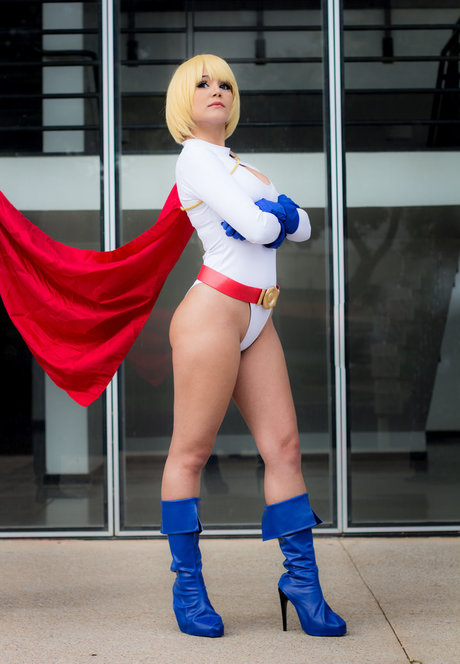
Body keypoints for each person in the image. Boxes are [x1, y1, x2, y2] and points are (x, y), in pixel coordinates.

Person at [160, 54, 346, 639]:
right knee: (191, 453)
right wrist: (275, 218)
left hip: (258, 315)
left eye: (225, 83)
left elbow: (304, 226)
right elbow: (267, 229)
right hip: (213, 312)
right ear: (184, 99)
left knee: (284, 448)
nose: (216, 90)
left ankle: (302, 584)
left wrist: (277, 217)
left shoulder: (241, 165)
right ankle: (187, 588)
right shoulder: (194, 156)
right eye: (203, 83)